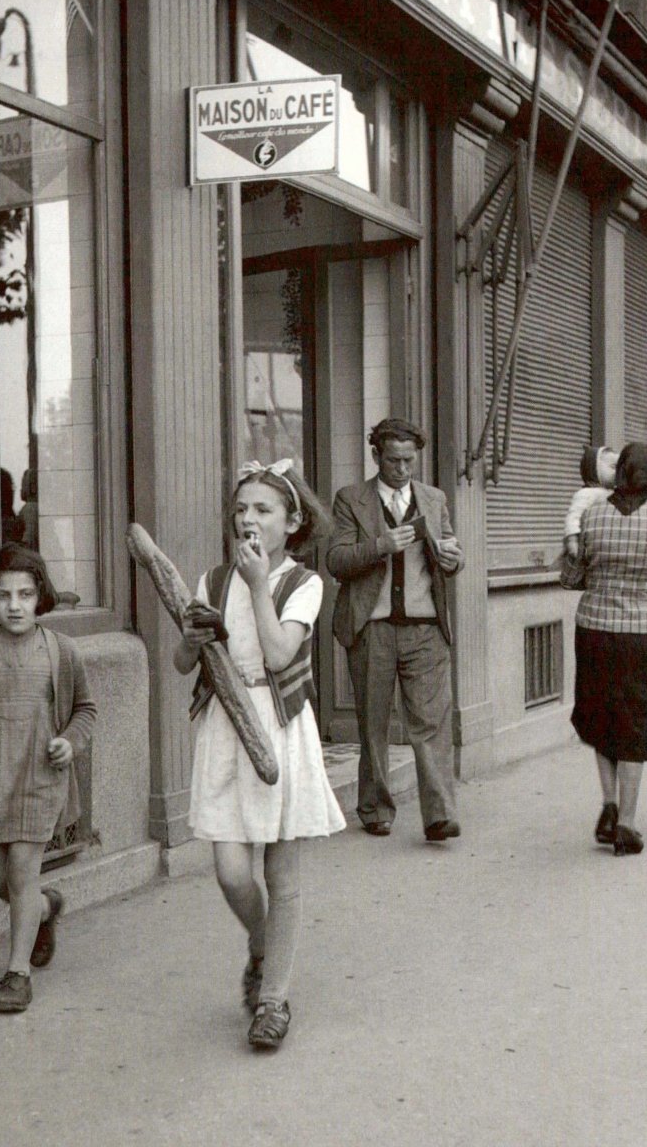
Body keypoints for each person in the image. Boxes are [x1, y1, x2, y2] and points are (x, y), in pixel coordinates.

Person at [174, 459, 345, 1051]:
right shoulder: (213, 580)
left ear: (292, 523)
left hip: (279, 727)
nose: (248, 519)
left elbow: (277, 654)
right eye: (241, 508)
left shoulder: (304, 583)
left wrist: (257, 585)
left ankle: (273, 1000)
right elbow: (183, 663)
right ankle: (262, 941)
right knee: (230, 870)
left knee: (282, 872)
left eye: (263, 510)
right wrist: (191, 640)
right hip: (226, 724)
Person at [0, 543, 97, 1012]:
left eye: (25, 595)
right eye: (3, 595)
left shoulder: (61, 651)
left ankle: (16, 974)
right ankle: (45, 908)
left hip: (40, 778)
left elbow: (85, 710)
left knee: (21, 872)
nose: (14, 606)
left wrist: (70, 740)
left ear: (40, 597)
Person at [326, 418, 465, 842]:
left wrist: (453, 559)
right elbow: (336, 561)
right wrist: (380, 546)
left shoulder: (434, 498)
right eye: (393, 460)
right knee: (373, 724)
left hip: (426, 629)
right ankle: (375, 808)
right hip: (373, 628)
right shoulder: (351, 498)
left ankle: (439, 815)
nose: (402, 469)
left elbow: (450, 549)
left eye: (409, 460)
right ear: (376, 456)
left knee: (432, 723)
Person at [560, 441, 647, 856]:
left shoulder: (592, 514)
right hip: (643, 635)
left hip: (594, 631)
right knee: (636, 722)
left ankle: (608, 805)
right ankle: (627, 825)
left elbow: (573, 578)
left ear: (618, 472)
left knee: (601, 715)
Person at [563, 445, 619, 560]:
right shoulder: (587, 493)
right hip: (587, 546)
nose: (618, 472)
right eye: (613, 467)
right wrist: (572, 540)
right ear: (594, 470)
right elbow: (573, 518)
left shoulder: (615, 493)